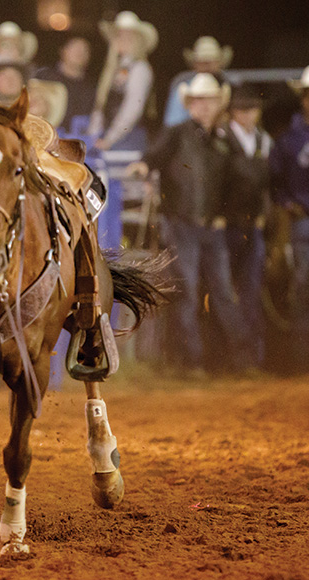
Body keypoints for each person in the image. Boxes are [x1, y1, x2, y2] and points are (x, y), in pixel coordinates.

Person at [127, 73, 249, 374]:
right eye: (198, 101)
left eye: (208, 100)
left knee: (220, 291)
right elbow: (153, 157)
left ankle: (233, 360)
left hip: (210, 226)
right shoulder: (177, 133)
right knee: (191, 291)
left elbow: (239, 180)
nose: (204, 106)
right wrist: (143, 166)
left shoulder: (223, 138)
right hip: (181, 223)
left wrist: (226, 215)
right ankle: (192, 361)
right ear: (191, 104)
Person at [220, 85, 272, 366]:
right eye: (242, 109)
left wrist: (263, 215)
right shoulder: (222, 139)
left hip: (252, 225)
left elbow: (267, 187)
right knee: (226, 291)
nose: (247, 114)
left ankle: (251, 359)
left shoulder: (263, 141)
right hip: (228, 225)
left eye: (251, 109)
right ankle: (232, 358)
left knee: (250, 288)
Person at [270, 66, 309, 371]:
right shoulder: (288, 140)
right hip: (301, 222)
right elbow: (276, 183)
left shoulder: (288, 139)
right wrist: (286, 203)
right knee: (302, 284)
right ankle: (300, 360)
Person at [89, 11, 158, 152]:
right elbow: (101, 106)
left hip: (128, 140)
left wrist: (109, 139)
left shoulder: (140, 68)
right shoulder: (113, 69)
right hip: (108, 139)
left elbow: (132, 109)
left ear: (138, 40)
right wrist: (93, 135)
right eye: (119, 35)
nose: (123, 39)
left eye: (129, 36)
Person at [164, 36, 233, 128]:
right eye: (202, 63)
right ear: (195, 65)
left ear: (219, 64)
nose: (207, 67)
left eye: (211, 62)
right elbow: (173, 123)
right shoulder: (183, 87)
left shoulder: (227, 86)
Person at [34, 36, 96, 134]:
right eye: (75, 48)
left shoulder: (91, 88)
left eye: (85, 50)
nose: (80, 53)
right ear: (63, 51)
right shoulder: (44, 77)